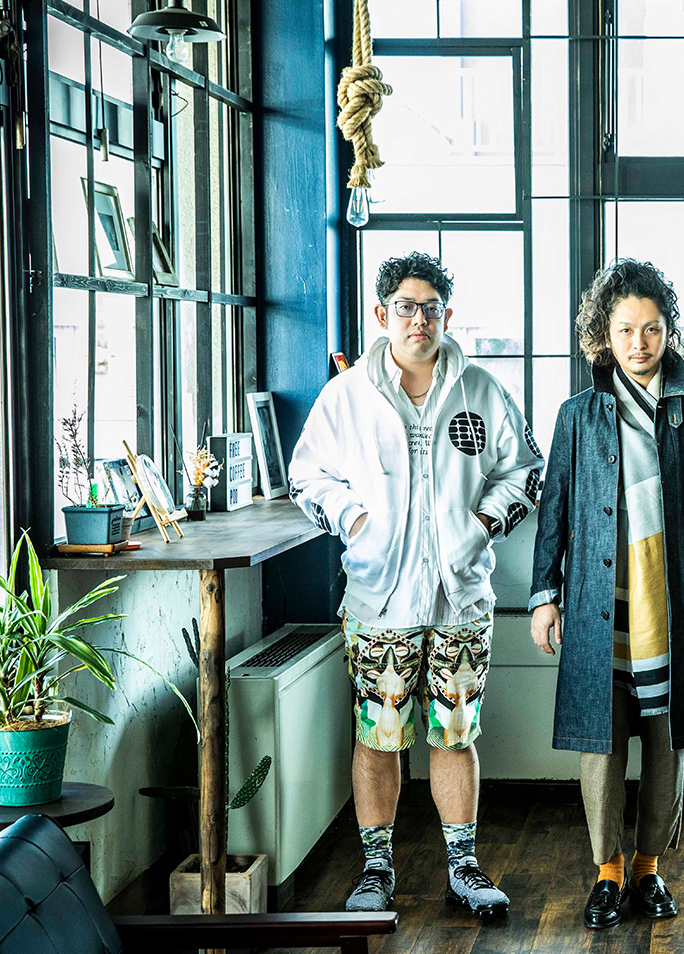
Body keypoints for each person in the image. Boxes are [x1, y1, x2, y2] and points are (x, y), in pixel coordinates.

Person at [290, 252, 543, 917]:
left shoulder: (481, 390)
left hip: (461, 598)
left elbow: (525, 469)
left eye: (431, 308)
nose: (419, 320)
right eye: (406, 307)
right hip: (379, 599)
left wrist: (481, 526)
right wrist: (356, 521)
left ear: (447, 316)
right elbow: (307, 476)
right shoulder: (347, 396)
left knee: (456, 733)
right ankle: (377, 869)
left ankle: (464, 867)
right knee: (379, 735)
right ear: (382, 314)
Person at [528, 259, 684, 929]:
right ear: (604, 334)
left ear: (668, 331)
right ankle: (608, 872)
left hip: (674, 599)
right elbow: (555, 509)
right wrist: (544, 594)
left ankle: (649, 869)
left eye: (652, 329)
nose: (639, 343)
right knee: (601, 742)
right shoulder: (578, 414)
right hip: (600, 598)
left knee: (667, 739)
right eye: (625, 329)